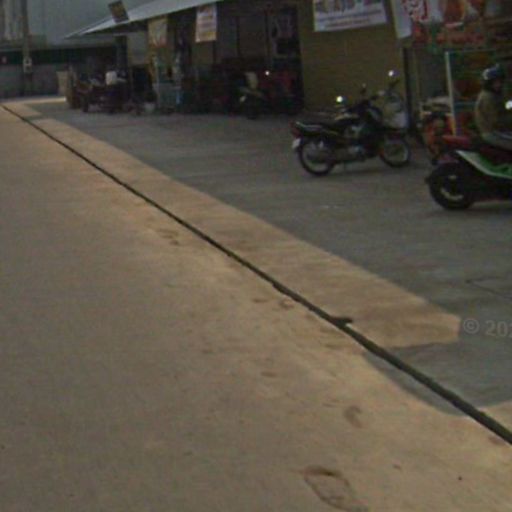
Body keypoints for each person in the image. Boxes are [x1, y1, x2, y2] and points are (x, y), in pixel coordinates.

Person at [474, 64, 512, 151]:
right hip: (492, 132)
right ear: (489, 83)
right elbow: (496, 121)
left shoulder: (495, 95)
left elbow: (506, 106)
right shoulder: (488, 97)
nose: (499, 84)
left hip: (499, 131)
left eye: (500, 81)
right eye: (496, 82)